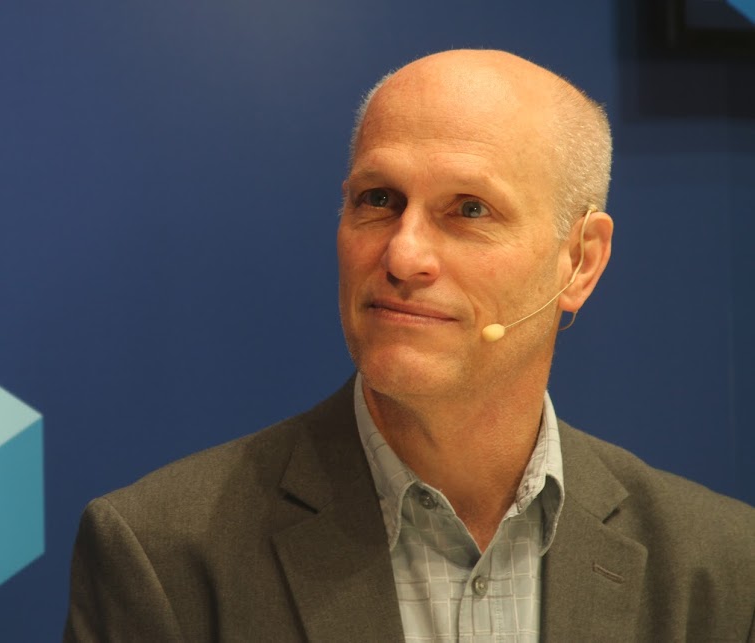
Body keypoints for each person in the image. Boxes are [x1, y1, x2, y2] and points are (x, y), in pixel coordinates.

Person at [63, 49, 755, 642]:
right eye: (378, 200)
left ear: (580, 261)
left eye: (470, 209)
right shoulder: (164, 555)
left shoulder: (723, 568)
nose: (404, 255)